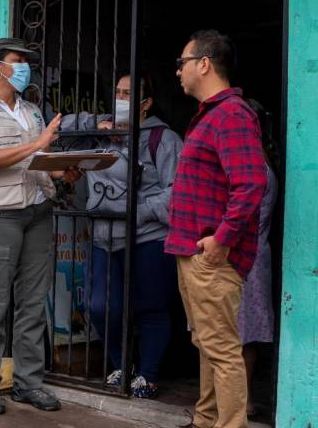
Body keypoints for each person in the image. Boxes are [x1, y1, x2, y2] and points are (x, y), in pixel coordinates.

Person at [0, 37, 73, 415]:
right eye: (17, 60)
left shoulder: (32, 111)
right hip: (0, 216)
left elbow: (43, 161)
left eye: (26, 61)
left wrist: (67, 171)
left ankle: (29, 384)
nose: (24, 66)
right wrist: (38, 144)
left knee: (32, 302)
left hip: (38, 212)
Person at [166, 30, 267, 428]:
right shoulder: (211, 115)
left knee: (223, 351)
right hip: (194, 253)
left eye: (182, 63)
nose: (178, 73)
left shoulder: (231, 114)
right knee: (207, 345)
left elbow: (252, 183)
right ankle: (206, 420)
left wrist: (220, 241)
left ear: (204, 63)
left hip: (211, 257)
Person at [64, 73, 182, 399]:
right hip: (103, 234)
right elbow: (57, 126)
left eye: (129, 94)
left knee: (150, 306)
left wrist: (138, 211)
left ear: (146, 104)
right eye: (117, 92)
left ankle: (149, 374)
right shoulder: (102, 133)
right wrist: (96, 122)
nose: (121, 99)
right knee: (100, 306)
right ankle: (121, 365)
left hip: (148, 236)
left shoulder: (163, 139)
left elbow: (178, 192)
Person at [238, 99, 277, 418]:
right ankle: (242, 398)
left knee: (236, 334)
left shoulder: (253, 168)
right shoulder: (261, 164)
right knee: (243, 334)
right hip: (253, 257)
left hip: (242, 257)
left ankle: (241, 399)